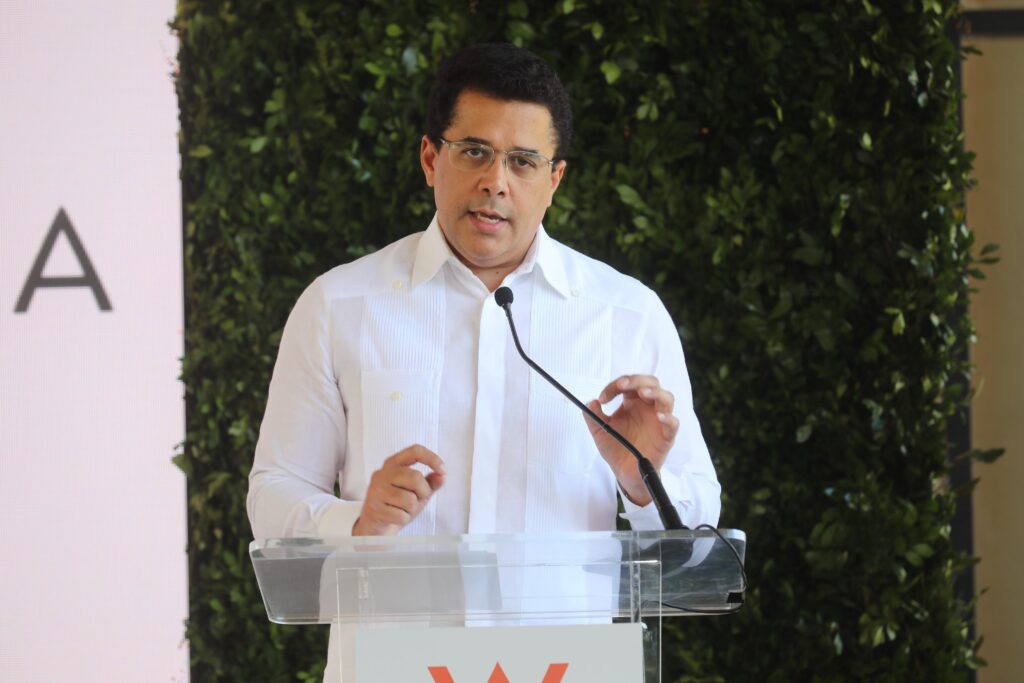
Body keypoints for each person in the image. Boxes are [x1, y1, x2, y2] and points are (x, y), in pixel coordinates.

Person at [247, 42, 720, 682]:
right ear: (430, 158)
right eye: (474, 151)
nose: (496, 181)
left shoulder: (626, 314)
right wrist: (357, 521)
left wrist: (642, 479)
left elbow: (698, 537)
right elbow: (274, 494)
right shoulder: (340, 305)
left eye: (523, 161)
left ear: (554, 181)